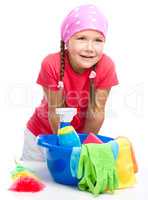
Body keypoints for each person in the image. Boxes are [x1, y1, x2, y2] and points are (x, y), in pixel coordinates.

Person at [21, 4, 119, 161]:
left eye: (98, 40)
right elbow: (56, 112)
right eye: (81, 38)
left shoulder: (106, 66)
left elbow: (96, 112)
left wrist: (83, 148)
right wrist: (64, 150)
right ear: (67, 41)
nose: (90, 48)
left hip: (77, 138)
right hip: (41, 136)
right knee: (38, 180)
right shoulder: (51, 64)